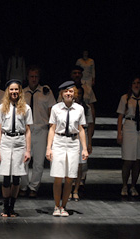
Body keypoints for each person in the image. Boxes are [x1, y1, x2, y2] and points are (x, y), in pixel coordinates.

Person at [46, 81, 88, 217]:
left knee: (70, 177)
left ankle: (64, 206)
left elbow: (81, 129)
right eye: (66, 91)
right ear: (61, 94)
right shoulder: (56, 108)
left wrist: (84, 148)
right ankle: (56, 206)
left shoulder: (79, 109)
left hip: (73, 143)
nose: (68, 94)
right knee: (58, 176)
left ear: (74, 93)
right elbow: (52, 128)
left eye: (70, 91)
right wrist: (49, 148)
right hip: (59, 141)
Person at [0, 79, 32, 217]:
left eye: (16, 89)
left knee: (17, 177)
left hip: (19, 141)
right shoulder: (2, 107)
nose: (14, 92)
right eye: (11, 89)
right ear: (7, 91)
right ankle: (5, 207)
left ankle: (12, 206)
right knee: (6, 176)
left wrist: (28, 150)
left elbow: (28, 130)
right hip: (6, 141)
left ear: (20, 91)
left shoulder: (26, 108)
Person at [20, 66, 56, 198]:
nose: (34, 79)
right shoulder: (22, 93)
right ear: (27, 78)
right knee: (23, 160)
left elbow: (51, 111)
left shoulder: (46, 92)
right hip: (26, 130)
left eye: (36, 77)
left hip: (41, 129)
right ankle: (23, 186)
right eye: (31, 76)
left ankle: (34, 187)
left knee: (39, 162)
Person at [116, 77, 140, 196]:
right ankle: (124, 185)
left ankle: (133, 186)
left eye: (138, 83)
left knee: (138, 159)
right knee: (128, 159)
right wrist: (119, 133)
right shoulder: (125, 98)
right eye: (134, 83)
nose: (136, 85)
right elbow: (120, 116)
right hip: (129, 127)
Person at [70, 87, 93, 201]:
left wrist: (89, 144)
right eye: (75, 93)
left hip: (82, 135)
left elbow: (89, 125)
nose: (77, 95)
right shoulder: (67, 107)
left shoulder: (86, 108)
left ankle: (76, 190)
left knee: (79, 165)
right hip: (71, 135)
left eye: (79, 93)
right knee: (69, 165)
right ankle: (69, 189)